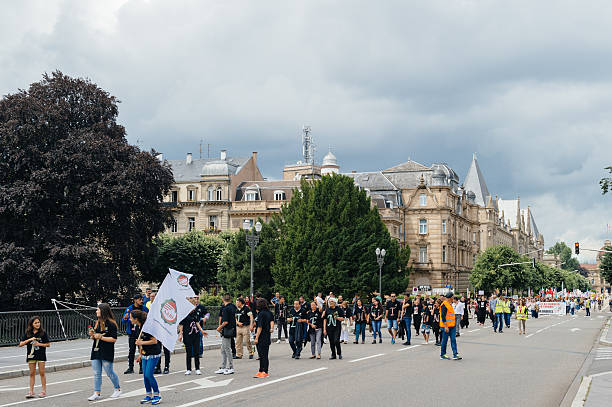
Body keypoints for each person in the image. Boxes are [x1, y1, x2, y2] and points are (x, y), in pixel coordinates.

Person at [87, 304, 121, 401]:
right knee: (96, 373)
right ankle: (96, 392)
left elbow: (114, 339)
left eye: (97, 310)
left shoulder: (111, 323)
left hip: (107, 351)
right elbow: (96, 336)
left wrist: (101, 337)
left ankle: (117, 389)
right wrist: (92, 335)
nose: (96, 312)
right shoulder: (98, 322)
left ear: (103, 311)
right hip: (96, 350)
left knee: (109, 372)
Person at [130, 310, 162, 405]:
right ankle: (149, 395)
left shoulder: (147, 327)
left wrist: (141, 343)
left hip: (153, 353)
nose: (130, 320)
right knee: (145, 376)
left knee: (149, 374)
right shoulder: (137, 327)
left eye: (131, 318)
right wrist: (140, 354)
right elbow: (139, 342)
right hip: (144, 353)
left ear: (136, 319)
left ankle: (157, 395)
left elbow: (154, 341)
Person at [19, 316, 50, 399]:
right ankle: (31, 391)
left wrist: (39, 344)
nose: (37, 324)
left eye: (38, 322)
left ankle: (43, 391)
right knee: (32, 373)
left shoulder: (43, 333)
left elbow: (48, 344)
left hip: (41, 355)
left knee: (42, 373)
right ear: (32, 324)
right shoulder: (28, 333)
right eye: (35, 323)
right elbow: (20, 344)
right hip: (31, 355)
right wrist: (29, 340)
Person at [122, 294, 147, 374]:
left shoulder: (144, 308)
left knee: (141, 350)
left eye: (142, 299)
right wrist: (126, 318)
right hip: (132, 333)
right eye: (140, 300)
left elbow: (148, 318)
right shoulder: (129, 309)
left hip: (141, 332)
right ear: (135, 300)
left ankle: (141, 367)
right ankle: (130, 367)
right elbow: (123, 321)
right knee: (131, 350)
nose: (142, 301)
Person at [179, 307, 207, 375]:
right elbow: (181, 325)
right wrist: (180, 334)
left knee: (196, 352)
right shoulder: (184, 314)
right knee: (188, 353)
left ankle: (197, 368)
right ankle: (188, 369)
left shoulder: (195, 313)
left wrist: (202, 331)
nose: (193, 309)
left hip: (196, 335)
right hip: (187, 335)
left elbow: (197, 323)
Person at [253, 299, 274, 378]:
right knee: (263, 354)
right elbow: (272, 321)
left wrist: (256, 338)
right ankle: (261, 370)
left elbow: (260, 327)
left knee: (263, 355)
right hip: (267, 335)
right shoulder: (269, 313)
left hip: (262, 336)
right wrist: (271, 328)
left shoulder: (261, 314)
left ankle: (265, 371)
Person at [216, 294, 236, 375]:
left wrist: (219, 328)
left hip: (227, 330)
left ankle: (231, 367)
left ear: (223, 299)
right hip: (232, 329)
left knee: (226, 349)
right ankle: (223, 366)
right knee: (223, 349)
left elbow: (225, 321)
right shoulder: (233, 307)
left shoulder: (225, 309)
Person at [440, 292, 461, 360]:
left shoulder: (450, 304)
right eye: (453, 297)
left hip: (452, 326)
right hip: (446, 326)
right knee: (445, 340)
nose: (453, 298)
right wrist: (445, 326)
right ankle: (443, 354)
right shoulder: (444, 305)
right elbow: (443, 316)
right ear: (450, 298)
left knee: (453, 340)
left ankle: (455, 354)